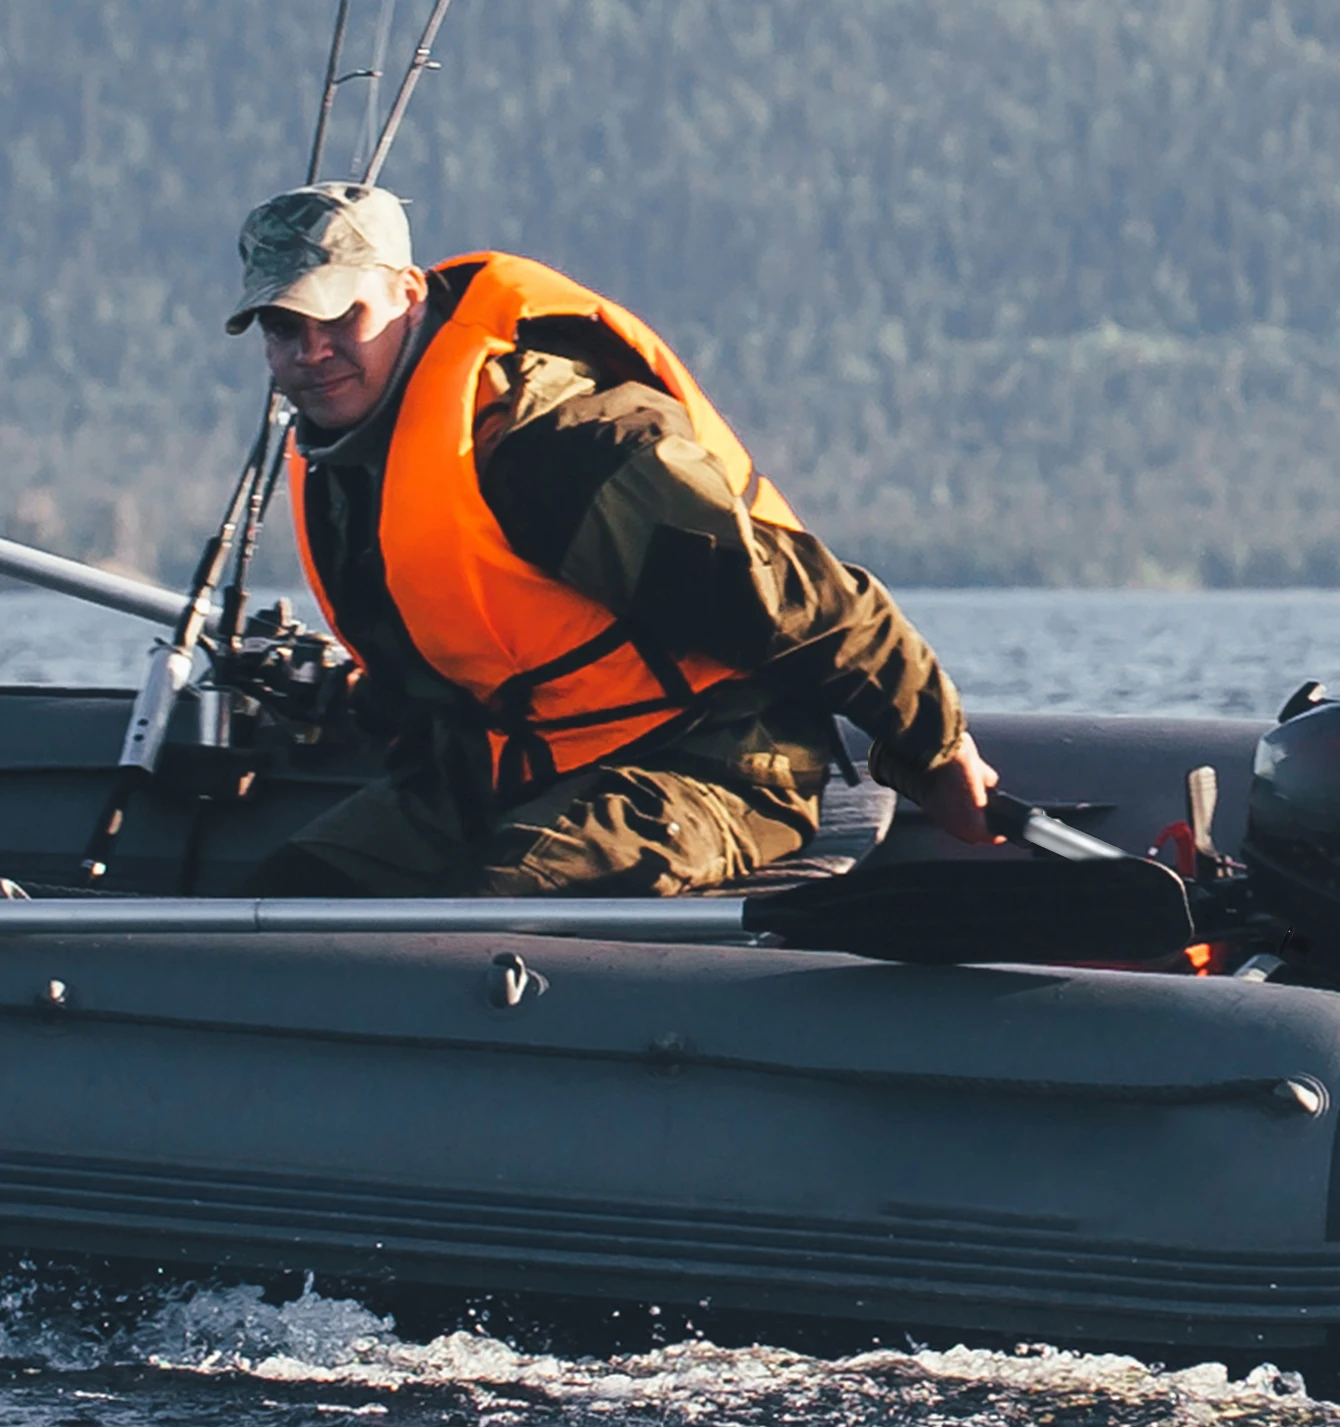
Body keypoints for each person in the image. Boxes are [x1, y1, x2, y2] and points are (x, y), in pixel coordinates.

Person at [227, 181, 997, 897]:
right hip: (511, 762)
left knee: (501, 907)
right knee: (291, 896)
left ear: (407, 294)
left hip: (713, 756)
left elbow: (785, 597)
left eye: (341, 317)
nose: (312, 351)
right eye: (283, 327)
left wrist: (932, 742)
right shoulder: (348, 460)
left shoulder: (554, 442)